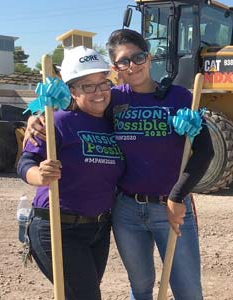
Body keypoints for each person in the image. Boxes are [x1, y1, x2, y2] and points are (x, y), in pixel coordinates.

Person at [25, 29, 214, 300]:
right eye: (124, 61)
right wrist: (36, 117)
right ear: (115, 68)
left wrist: (178, 195)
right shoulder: (114, 98)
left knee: (188, 291)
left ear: (149, 58)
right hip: (126, 210)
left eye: (138, 57)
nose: (132, 65)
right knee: (140, 287)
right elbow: (71, 103)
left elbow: (204, 151)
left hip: (170, 206)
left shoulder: (181, 98)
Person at [17, 45, 125, 300]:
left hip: (98, 230)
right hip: (57, 227)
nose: (98, 92)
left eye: (102, 83)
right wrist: (39, 175)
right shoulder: (56, 122)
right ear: (72, 91)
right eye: (88, 86)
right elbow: (25, 162)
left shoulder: (113, 122)